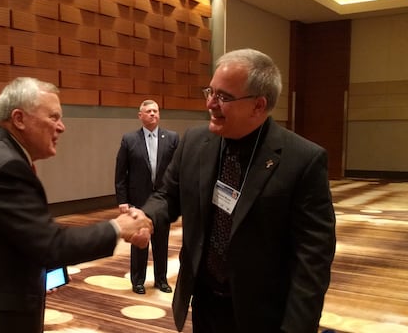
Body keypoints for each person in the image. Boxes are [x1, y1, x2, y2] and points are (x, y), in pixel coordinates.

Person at [0, 77, 153, 333]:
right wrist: (118, 227)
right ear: (19, 119)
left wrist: (39, 273)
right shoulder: (5, 168)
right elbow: (52, 245)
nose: (62, 127)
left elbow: (17, 238)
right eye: (53, 117)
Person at [140, 49, 336, 332]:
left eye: (223, 97)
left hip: (262, 315)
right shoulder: (194, 141)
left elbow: (312, 259)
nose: (210, 103)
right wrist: (146, 217)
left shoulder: (303, 160)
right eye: (210, 91)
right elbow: (167, 195)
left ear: (258, 106)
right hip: (205, 302)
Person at [114, 99, 179, 295]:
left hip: (163, 201)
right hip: (138, 201)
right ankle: (138, 281)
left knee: (161, 241)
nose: (152, 114)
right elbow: (121, 173)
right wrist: (122, 200)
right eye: (148, 111)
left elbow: (178, 171)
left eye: (155, 111)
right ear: (140, 116)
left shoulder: (172, 138)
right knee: (139, 242)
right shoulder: (129, 139)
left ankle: (161, 280)